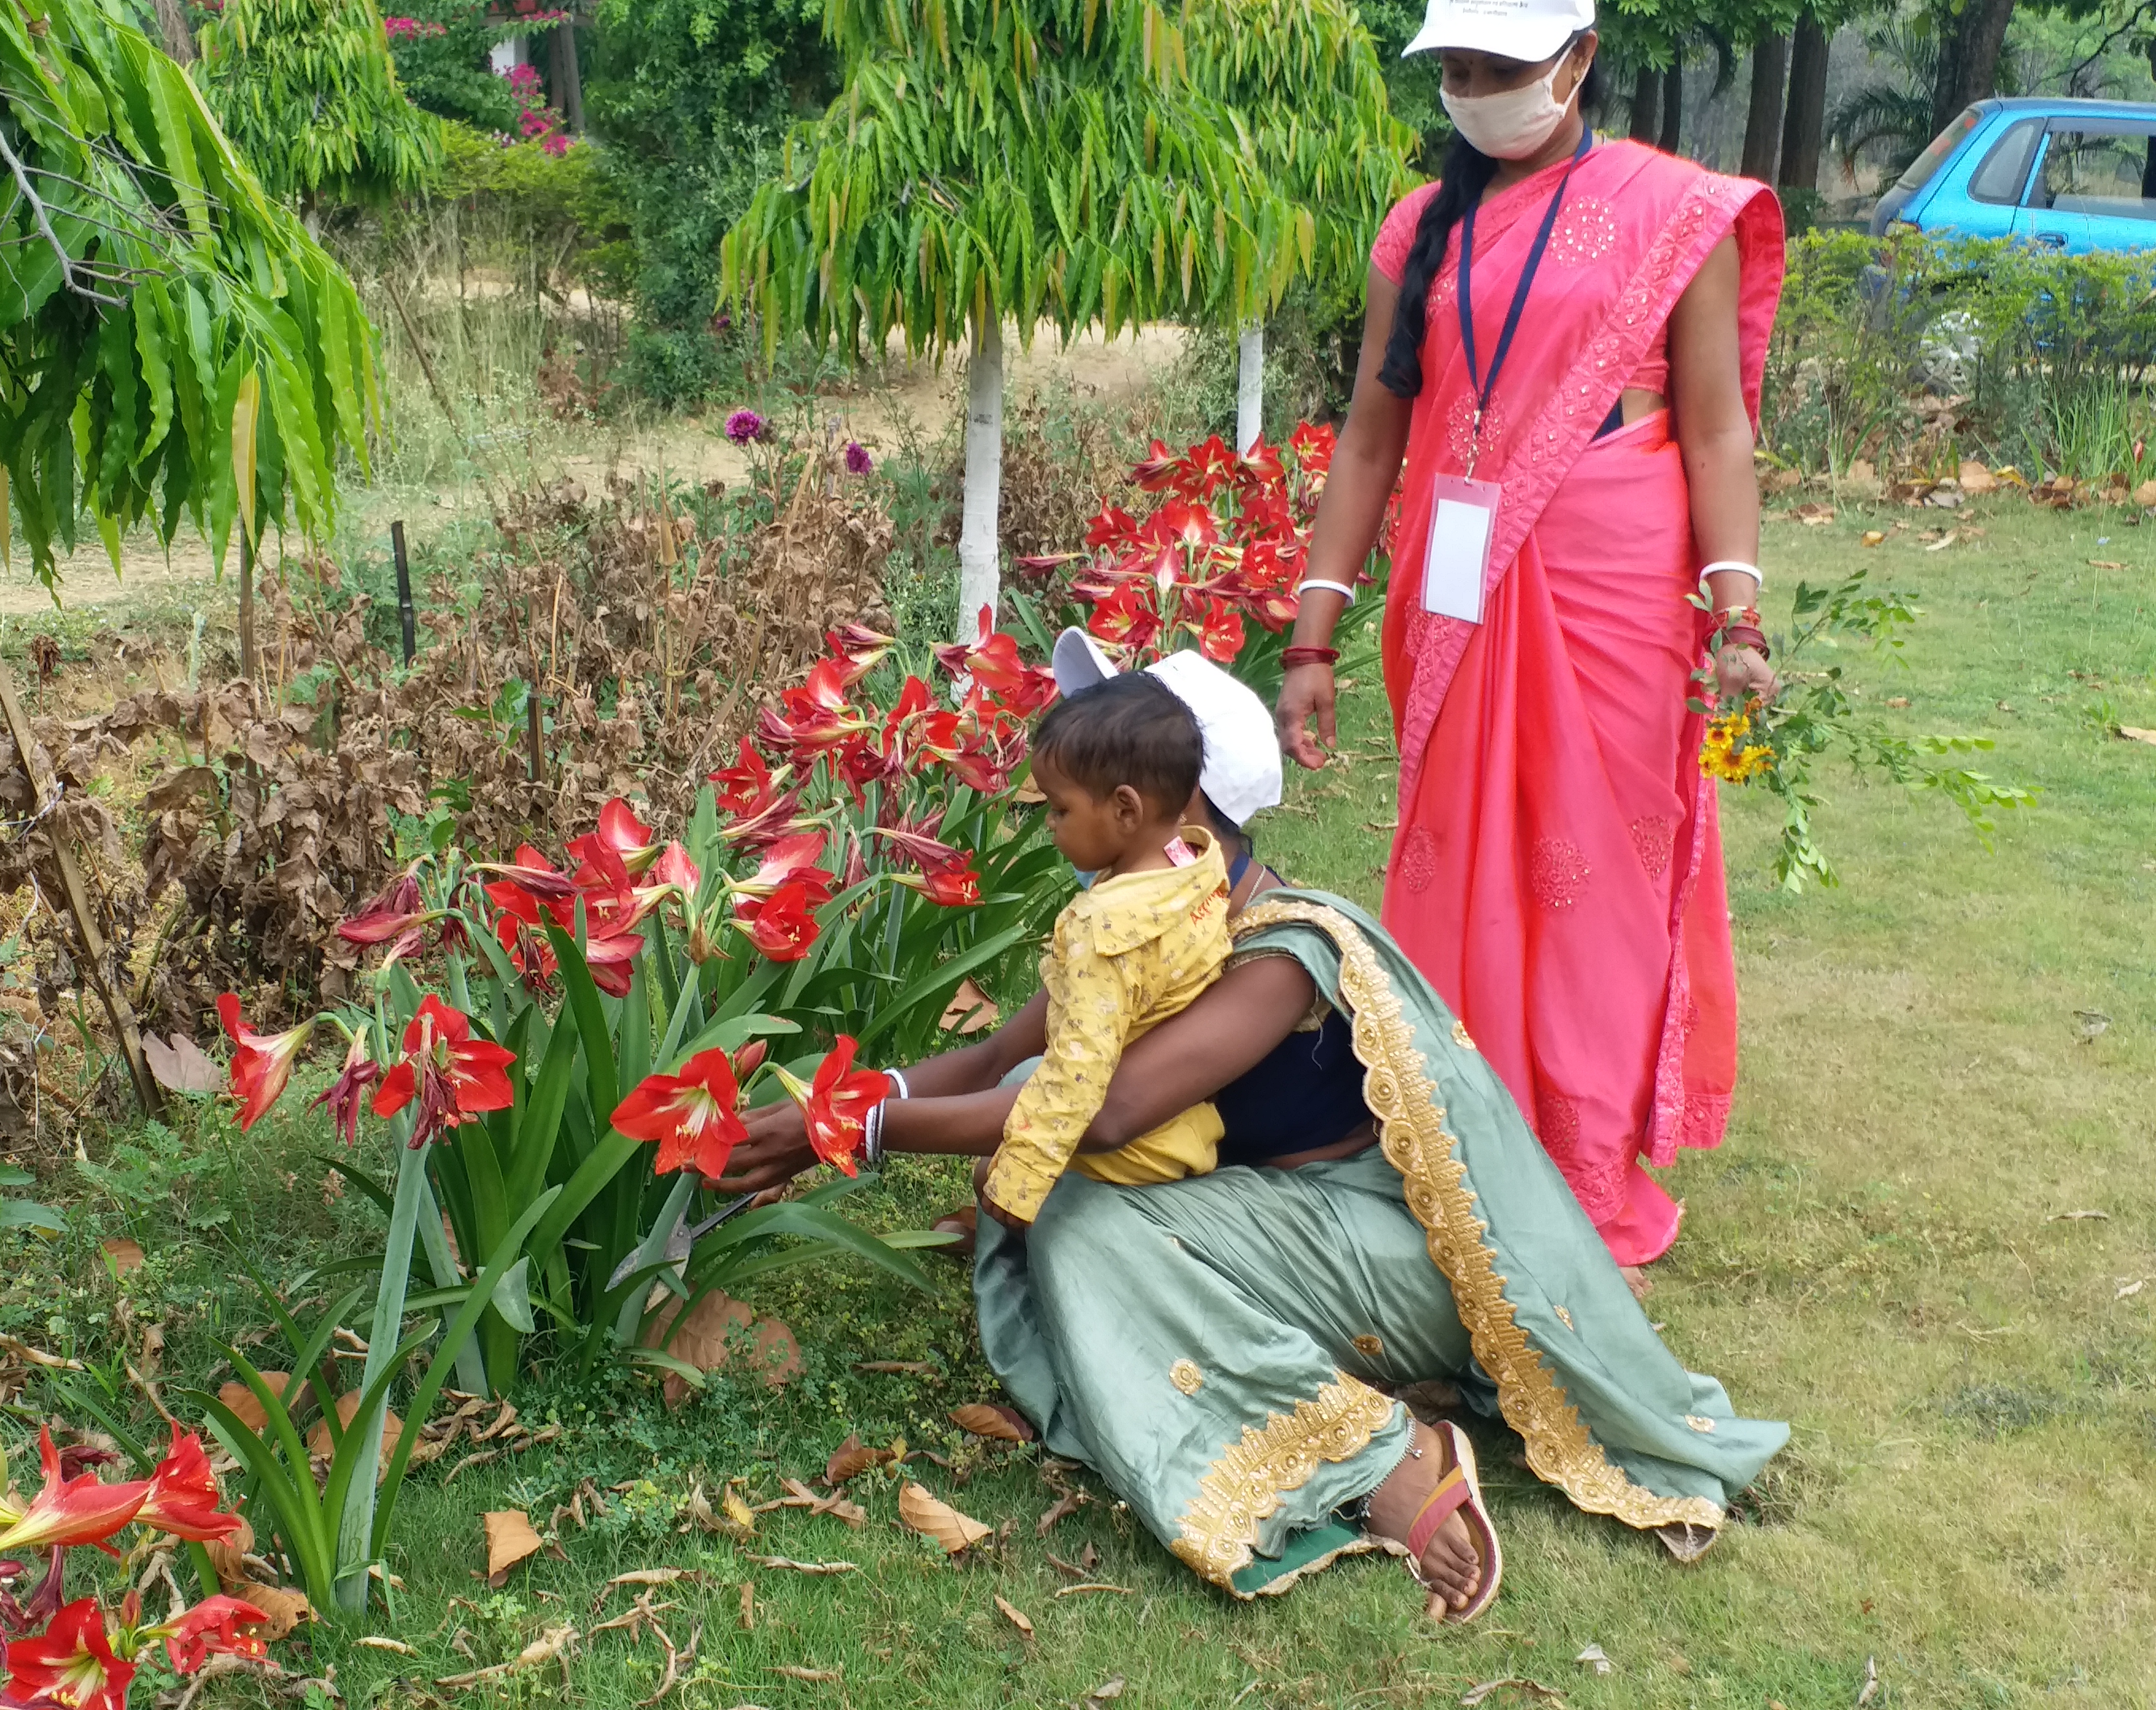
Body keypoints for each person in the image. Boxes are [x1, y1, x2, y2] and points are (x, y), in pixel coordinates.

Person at [712, 640, 1787, 1617]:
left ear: (1159, 812)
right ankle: (1312, 1378)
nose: (1060, 826)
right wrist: (832, 1105)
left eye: (1073, 803)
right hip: (1284, 1223)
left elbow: (1113, 1109)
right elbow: (1001, 1062)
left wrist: (849, 1136)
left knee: (1081, 1222)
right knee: (1048, 1151)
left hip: (1386, 1250)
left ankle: (1378, 1458)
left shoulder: (1278, 952)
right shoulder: (1144, 917)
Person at [1272, 0, 1785, 1268]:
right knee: (1460, 860)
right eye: (1452, 69)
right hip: (1454, 587)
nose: (1472, 89)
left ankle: (1583, 1158)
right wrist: (1310, 635)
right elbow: (1371, 439)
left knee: (1598, 875)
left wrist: (1737, 616)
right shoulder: (1418, 229)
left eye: (1499, 67)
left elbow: (1715, 428)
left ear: (1580, 61)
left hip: (1615, 577)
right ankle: (1458, 1136)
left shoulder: (1675, 211)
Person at [982, 674, 1231, 1228]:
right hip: (1185, 1128)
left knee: (989, 1174)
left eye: (1060, 809)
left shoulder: (1106, 930)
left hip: (1133, 1157)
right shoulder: (1194, 866)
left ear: (1126, 810)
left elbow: (1080, 1068)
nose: (1048, 822)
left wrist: (1019, 1184)